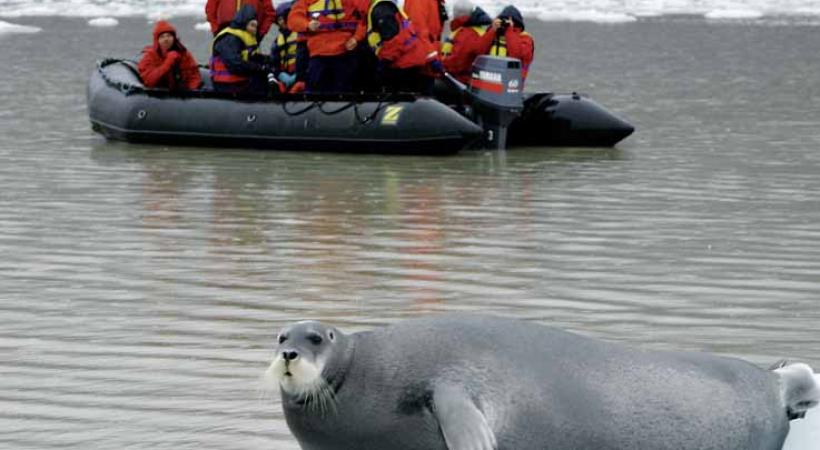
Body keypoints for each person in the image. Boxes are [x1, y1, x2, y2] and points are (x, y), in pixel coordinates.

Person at [287, 0, 367, 92]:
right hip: (318, 56)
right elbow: (293, 19)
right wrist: (307, 25)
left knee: (346, 91)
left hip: (345, 53)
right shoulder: (306, 2)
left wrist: (356, 38)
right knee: (317, 92)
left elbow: (365, 18)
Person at [366, 0, 442, 94]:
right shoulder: (388, 6)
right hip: (412, 58)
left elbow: (394, 41)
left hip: (401, 62)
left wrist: (384, 62)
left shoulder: (382, 8)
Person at [210, 5, 273, 95]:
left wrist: (267, 61)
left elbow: (251, 57)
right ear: (243, 22)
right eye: (252, 25)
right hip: (227, 84)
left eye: (255, 26)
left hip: (241, 81)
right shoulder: (229, 38)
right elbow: (234, 63)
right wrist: (258, 68)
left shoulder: (244, 38)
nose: (254, 29)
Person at [440, 0, 494, 84]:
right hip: (467, 78)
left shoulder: (465, 33)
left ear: (458, 13)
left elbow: (458, 61)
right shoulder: (477, 31)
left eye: (455, 11)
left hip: (459, 80)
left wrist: (439, 64)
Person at [138, 20, 203, 90]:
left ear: (174, 38)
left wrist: (191, 92)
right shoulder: (150, 56)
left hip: (182, 94)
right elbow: (149, 81)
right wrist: (168, 62)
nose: (166, 39)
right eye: (162, 37)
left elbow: (194, 74)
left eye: (169, 36)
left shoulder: (184, 53)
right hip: (159, 95)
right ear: (157, 40)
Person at [489, 5, 535, 82]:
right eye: (503, 20)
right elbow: (478, 51)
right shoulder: (493, 34)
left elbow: (516, 55)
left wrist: (510, 30)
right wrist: (492, 30)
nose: (504, 24)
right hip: (489, 81)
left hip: (511, 84)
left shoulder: (526, 39)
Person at [270, 1, 308, 93]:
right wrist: (279, 74)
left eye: (283, 18)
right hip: (283, 79)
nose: (282, 22)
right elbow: (272, 61)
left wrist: (299, 76)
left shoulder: (301, 34)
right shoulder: (274, 38)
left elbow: (308, 57)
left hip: (300, 77)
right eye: (279, 19)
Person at [205, 0, 277, 39]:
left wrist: (260, 33)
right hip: (225, 32)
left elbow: (269, 13)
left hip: (250, 33)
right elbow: (210, 10)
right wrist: (216, 30)